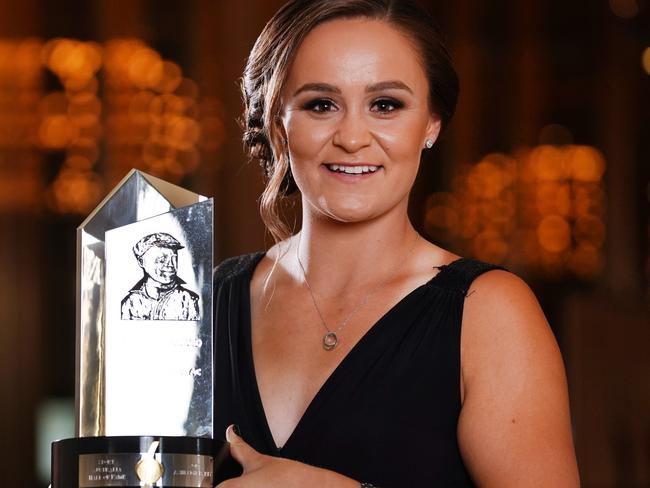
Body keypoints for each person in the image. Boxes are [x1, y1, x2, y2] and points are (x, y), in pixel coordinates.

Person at [213, 1, 580, 486]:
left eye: (386, 105)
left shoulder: (489, 313)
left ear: (431, 124)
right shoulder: (208, 297)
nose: (352, 137)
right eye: (320, 104)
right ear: (278, 126)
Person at [121, 232, 200, 321]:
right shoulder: (130, 302)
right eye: (161, 260)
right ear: (141, 262)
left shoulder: (189, 300)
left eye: (174, 258)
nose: (170, 265)